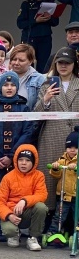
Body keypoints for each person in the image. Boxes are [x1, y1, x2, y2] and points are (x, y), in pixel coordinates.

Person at [0, 71, 35, 241]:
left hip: (16, 160)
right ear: (0, 86)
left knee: (15, 194)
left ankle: (14, 229)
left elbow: (28, 132)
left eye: (13, 85)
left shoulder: (23, 106)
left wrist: (13, 155)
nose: (9, 88)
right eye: (6, 85)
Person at [34, 47, 79, 213]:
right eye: (60, 62)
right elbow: (36, 115)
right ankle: (49, 219)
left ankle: (72, 222)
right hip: (51, 136)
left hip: (76, 138)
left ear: (74, 64)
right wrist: (46, 100)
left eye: (67, 63)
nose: (64, 66)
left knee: (74, 179)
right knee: (50, 177)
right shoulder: (47, 84)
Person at [0, 145, 48, 250]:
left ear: (34, 162)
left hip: (28, 211)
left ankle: (33, 238)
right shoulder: (8, 177)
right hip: (12, 212)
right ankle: (14, 235)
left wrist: (24, 201)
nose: (23, 163)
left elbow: (42, 195)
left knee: (41, 207)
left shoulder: (39, 175)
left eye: (27, 160)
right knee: (9, 230)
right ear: (16, 160)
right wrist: (9, 215)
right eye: (21, 159)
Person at [17, 0, 60, 73]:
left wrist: (49, 18)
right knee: (27, 63)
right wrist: (35, 20)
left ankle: (42, 85)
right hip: (29, 38)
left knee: (44, 65)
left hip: (45, 38)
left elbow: (56, 22)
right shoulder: (26, 4)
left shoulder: (50, 3)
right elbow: (20, 24)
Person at [46, 126, 79, 239]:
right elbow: (56, 175)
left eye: (76, 147)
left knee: (77, 217)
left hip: (76, 196)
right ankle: (54, 232)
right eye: (69, 147)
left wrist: (76, 167)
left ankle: (76, 234)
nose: (72, 150)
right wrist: (55, 168)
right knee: (59, 216)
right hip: (63, 195)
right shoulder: (62, 160)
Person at [6, 44, 45, 110]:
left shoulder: (40, 80)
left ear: (30, 61)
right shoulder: (0, 78)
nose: (16, 63)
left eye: (21, 60)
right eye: (14, 59)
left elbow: (41, 107)